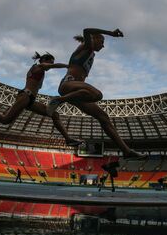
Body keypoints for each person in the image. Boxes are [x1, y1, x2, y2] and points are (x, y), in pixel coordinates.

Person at [46, 28, 143, 158]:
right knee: (97, 95)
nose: (103, 46)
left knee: (103, 117)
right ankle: (59, 100)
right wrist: (111, 34)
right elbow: (87, 30)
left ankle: (126, 151)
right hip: (68, 85)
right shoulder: (86, 46)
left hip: (77, 92)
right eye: (102, 42)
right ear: (94, 39)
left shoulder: (91, 53)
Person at [0, 52, 83, 146]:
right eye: (51, 62)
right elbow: (50, 66)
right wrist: (68, 66)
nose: (51, 65)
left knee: (55, 114)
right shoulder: (38, 67)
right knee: (5, 120)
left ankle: (68, 139)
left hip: (30, 100)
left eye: (52, 63)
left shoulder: (40, 70)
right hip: (25, 95)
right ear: (44, 60)